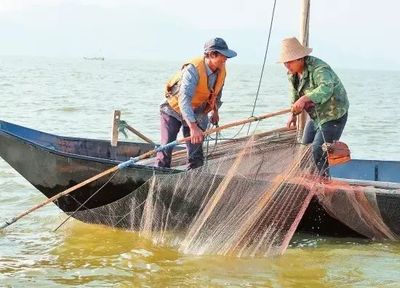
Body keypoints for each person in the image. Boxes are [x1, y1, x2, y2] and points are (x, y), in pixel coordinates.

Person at [156, 37, 237, 169]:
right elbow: (184, 101)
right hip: (173, 110)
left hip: (198, 111)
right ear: (211, 55)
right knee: (166, 147)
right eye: (223, 56)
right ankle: (158, 174)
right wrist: (193, 128)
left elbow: (217, 94)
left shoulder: (221, 70)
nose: (226, 59)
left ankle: (193, 176)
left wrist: (215, 111)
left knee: (196, 153)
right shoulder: (192, 70)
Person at [279, 37, 349, 176]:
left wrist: (306, 98)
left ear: (300, 58)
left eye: (290, 62)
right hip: (316, 116)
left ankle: (323, 183)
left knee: (318, 149)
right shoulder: (292, 74)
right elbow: (295, 97)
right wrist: (293, 114)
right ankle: (310, 181)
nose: (287, 65)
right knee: (304, 150)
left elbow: (326, 88)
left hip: (333, 114)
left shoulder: (319, 69)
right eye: (285, 62)